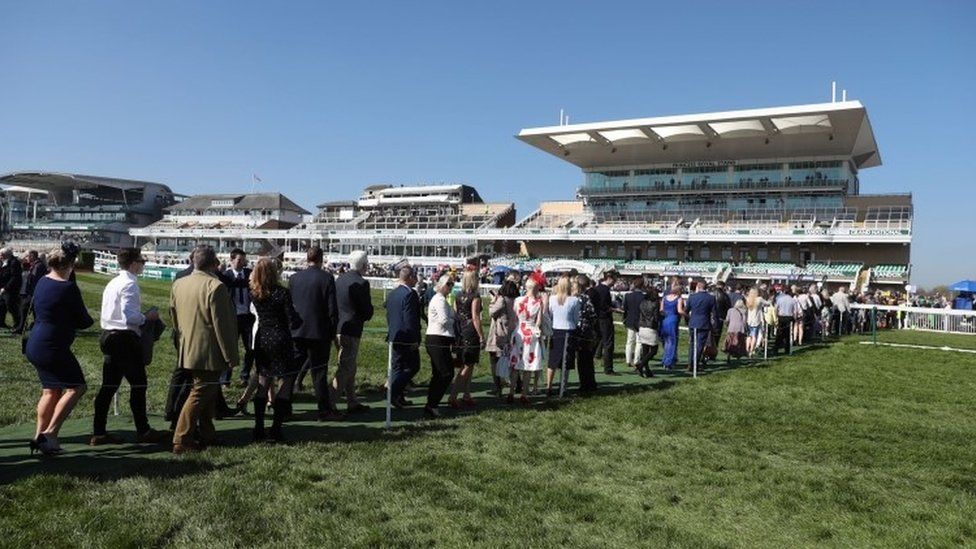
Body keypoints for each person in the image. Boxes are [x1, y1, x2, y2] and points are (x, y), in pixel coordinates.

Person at [90, 248, 168, 446]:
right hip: (123, 339)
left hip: (109, 336)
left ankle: (99, 431)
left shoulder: (114, 281)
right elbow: (130, 316)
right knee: (138, 384)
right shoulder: (130, 284)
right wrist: (147, 317)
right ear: (133, 263)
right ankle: (143, 430)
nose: (143, 264)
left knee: (109, 386)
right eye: (141, 260)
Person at [169, 246, 239, 454]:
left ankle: (208, 433)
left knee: (206, 391)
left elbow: (173, 317)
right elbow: (223, 326)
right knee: (200, 392)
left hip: (186, 346)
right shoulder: (215, 286)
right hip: (208, 351)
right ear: (213, 264)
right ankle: (181, 438)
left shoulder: (179, 284)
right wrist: (231, 356)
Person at [24, 244, 91, 456]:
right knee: (77, 387)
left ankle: (39, 437)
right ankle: (50, 434)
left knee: (50, 390)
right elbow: (84, 321)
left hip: (37, 342)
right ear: (70, 265)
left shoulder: (43, 281)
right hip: (52, 345)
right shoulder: (68, 288)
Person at [249, 258, 302, 442]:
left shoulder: (254, 293)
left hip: (263, 338)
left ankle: (258, 427)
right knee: (285, 382)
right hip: (281, 338)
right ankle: (276, 429)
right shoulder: (282, 293)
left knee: (263, 381)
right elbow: (292, 319)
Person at [288, 246, 342, 421]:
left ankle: (284, 406)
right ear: (321, 258)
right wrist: (333, 332)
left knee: (292, 371)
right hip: (319, 333)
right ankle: (323, 410)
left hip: (297, 331)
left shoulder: (294, 278)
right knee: (319, 373)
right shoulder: (326, 278)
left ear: (307, 258)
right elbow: (332, 309)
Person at [333, 250, 373, 414]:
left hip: (338, 327)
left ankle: (352, 401)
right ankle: (329, 401)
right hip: (352, 328)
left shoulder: (339, 280)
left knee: (349, 366)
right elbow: (367, 311)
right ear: (363, 264)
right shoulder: (362, 283)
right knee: (346, 367)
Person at [386, 265, 421, 409]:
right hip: (407, 337)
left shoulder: (392, 293)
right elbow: (410, 319)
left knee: (397, 367)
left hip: (394, 335)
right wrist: (414, 339)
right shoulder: (410, 294)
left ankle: (397, 396)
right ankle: (393, 393)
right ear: (410, 278)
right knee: (412, 367)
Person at [508, 272, 546, 404]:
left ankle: (511, 392)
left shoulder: (517, 300)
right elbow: (539, 322)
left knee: (516, 365)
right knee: (528, 366)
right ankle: (524, 394)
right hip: (530, 334)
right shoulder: (538, 302)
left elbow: (513, 319)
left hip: (518, 331)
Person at [449, 269, 483, 408]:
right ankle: (453, 396)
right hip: (470, 331)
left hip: (460, 330)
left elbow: (456, 314)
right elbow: (475, 317)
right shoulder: (475, 297)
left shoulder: (457, 295)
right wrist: (481, 336)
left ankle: (466, 394)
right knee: (467, 365)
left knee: (468, 364)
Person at [424, 275, 456, 418]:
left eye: (452, 284)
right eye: (449, 284)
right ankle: (432, 404)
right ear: (442, 285)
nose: (451, 287)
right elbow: (444, 320)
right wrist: (453, 320)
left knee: (441, 373)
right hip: (437, 339)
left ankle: (432, 403)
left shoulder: (442, 300)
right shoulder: (439, 300)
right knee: (445, 373)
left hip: (439, 339)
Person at [223, 249, 255, 386]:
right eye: (239, 260)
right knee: (230, 348)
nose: (242, 263)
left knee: (250, 348)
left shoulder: (249, 274)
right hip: (232, 318)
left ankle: (245, 376)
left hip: (248, 317)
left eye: (243, 260)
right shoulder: (226, 276)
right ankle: (225, 378)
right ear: (232, 260)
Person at [546, 274, 579, 396]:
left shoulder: (552, 299)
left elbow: (550, 315)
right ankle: (563, 386)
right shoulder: (574, 300)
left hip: (556, 330)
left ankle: (549, 385)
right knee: (567, 361)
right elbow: (576, 318)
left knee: (553, 360)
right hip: (569, 331)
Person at [486, 280, 518, 397]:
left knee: (495, 361)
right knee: (512, 361)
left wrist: (492, 301)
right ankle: (518, 385)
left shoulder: (502, 300)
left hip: (498, 334)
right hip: (512, 332)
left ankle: (498, 388)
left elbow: (492, 312)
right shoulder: (515, 300)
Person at [574, 275, 599, 393]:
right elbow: (593, 316)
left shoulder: (574, 299)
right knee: (588, 359)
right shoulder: (586, 299)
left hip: (577, 332)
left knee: (581, 360)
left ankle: (584, 384)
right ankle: (590, 383)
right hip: (587, 332)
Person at [686, 281, 717, 371]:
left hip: (693, 323)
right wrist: (714, 326)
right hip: (704, 323)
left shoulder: (692, 297)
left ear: (698, 287)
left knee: (692, 344)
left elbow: (686, 310)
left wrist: (688, 321)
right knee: (700, 345)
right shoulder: (711, 298)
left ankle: (690, 363)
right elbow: (715, 314)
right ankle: (694, 364)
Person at [14, 250, 47, 334]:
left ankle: (22, 328)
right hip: (33, 293)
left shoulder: (38, 266)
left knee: (25, 309)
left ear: (32, 256)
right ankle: (23, 327)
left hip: (33, 293)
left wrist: (33, 294)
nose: (26, 258)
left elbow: (35, 281)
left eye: (28, 256)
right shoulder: (36, 265)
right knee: (30, 311)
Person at [593, 271, 618, 375]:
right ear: (609, 278)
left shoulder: (597, 288)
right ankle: (608, 368)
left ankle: (592, 363)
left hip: (597, 318)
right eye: (614, 279)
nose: (615, 282)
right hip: (605, 319)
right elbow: (604, 306)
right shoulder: (605, 290)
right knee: (608, 343)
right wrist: (612, 309)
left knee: (596, 341)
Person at [635, 286, 661, 378]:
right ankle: (640, 365)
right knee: (654, 350)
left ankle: (647, 370)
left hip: (642, 326)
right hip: (650, 327)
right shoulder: (655, 303)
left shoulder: (642, 302)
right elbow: (656, 317)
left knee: (645, 349)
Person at [622, 277, 645, 372]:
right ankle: (636, 360)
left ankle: (628, 360)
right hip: (640, 321)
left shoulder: (627, 296)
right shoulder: (643, 297)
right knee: (639, 342)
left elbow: (625, 309)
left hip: (630, 320)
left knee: (629, 341)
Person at [660, 284, 685, 370]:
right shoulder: (679, 299)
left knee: (666, 341)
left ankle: (665, 359)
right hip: (673, 319)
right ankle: (668, 362)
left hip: (665, 319)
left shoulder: (664, 298)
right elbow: (679, 310)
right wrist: (687, 315)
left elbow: (661, 310)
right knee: (672, 341)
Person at [0, 247, 23, 330]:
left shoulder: (14, 262)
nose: (0, 256)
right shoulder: (4, 262)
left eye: (1, 254)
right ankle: (1, 323)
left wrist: (6, 288)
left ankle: (18, 325)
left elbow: (14, 277)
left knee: (11, 307)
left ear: (5, 255)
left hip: (10, 290)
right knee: (2, 306)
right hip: (3, 288)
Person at [773, 286, 797, 354]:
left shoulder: (779, 299)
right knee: (788, 335)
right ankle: (787, 349)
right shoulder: (792, 300)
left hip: (781, 317)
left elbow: (776, 309)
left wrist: (776, 317)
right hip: (789, 318)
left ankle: (776, 349)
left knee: (779, 335)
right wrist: (794, 319)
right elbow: (795, 311)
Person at [723, 298, 748, 362]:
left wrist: (727, 325)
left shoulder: (730, 310)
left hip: (731, 328)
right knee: (739, 343)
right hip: (740, 329)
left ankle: (728, 356)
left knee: (730, 343)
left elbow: (727, 320)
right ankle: (738, 357)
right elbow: (744, 321)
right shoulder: (744, 311)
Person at [745, 287, 766, 357]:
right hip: (756, 320)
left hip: (748, 320)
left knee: (748, 336)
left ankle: (747, 349)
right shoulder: (759, 299)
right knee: (754, 336)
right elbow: (767, 303)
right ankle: (751, 350)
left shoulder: (747, 299)